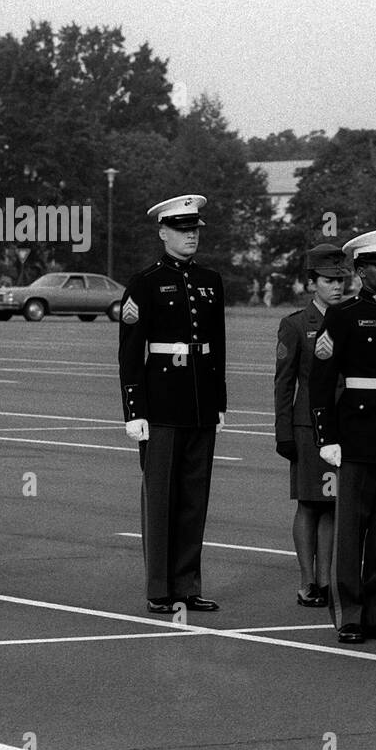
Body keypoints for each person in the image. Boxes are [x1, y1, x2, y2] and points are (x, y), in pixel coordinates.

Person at [309, 229, 376, 644]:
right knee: (351, 529)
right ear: (360, 270)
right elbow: (321, 383)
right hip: (356, 435)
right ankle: (349, 612)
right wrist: (327, 436)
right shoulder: (342, 316)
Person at [119, 194, 227, 614]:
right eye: (183, 230)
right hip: (161, 402)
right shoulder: (144, 282)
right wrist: (134, 411)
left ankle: (188, 583)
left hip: (199, 401)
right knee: (161, 498)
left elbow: (217, 344)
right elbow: (130, 351)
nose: (191, 237)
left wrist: (219, 401)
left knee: (193, 499)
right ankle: (160, 588)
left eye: (195, 230)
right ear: (163, 232)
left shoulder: (210, 280)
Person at [275, 245, 349, 607]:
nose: (337, 286)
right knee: (309, 504)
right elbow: (284, 383)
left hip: (345, 426)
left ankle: (325, 580)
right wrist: (283, 431)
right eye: (329, 280)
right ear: (311, 283)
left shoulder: (350, 319)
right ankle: (307, 581)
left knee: (333, 504)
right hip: (308, 427)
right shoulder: (295, 325)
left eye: (341, 280)